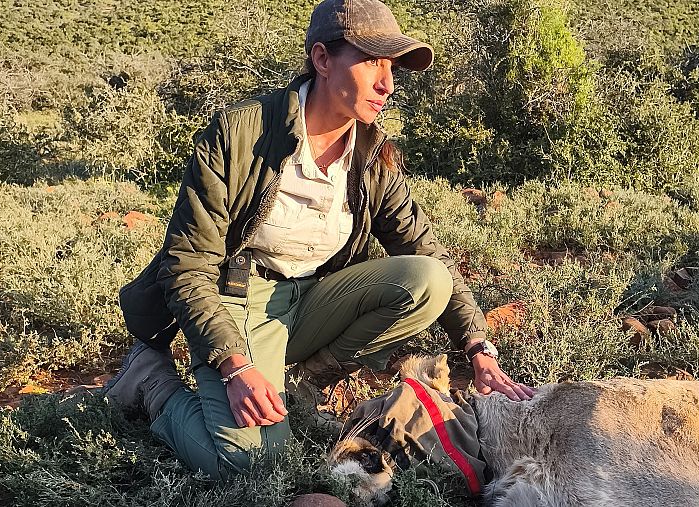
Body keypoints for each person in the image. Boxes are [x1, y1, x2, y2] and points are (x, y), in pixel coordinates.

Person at [104, 0, 534, 481]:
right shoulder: (241, 134)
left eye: (391, 67)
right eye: (371, 61)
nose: (387, 84)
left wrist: (478, 348)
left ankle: (304, 384)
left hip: (311, 297)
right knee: (253, 465)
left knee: (428, 279)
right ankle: (152, 383)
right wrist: (232, 364)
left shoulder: (371, 154)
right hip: (237, 302)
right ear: (322, 60)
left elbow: (425, 251)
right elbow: (186, 265)